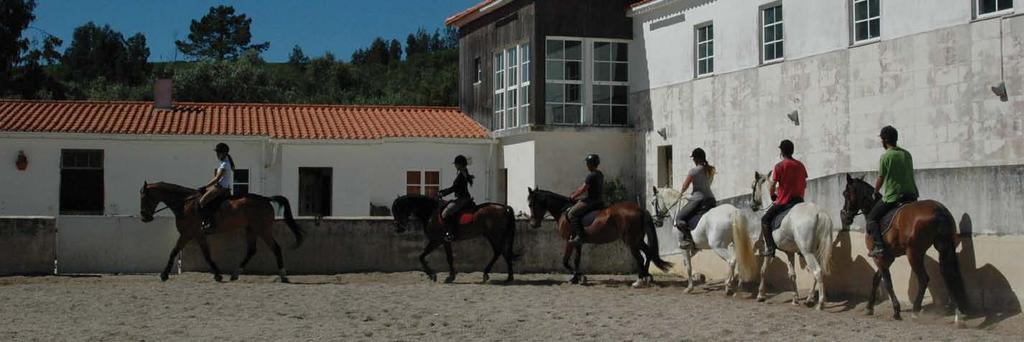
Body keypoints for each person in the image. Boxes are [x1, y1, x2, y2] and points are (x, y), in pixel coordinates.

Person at [866, 125, 918, 258]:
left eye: (881, 139)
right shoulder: (907, 154)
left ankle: (879, 246)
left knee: (871, 218)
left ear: (885, 140)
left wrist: (875, 191)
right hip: (912, 195)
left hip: (894, 196)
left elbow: (881, 178)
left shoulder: (886, 156)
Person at [760, 139, 807, 256]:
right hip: (800, 201)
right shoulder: (801, 166)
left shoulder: (779, 166)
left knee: (765, 220)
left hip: (785, 202)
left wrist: (772, 195)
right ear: (792, 151)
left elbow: (772, 185)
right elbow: (804, 184)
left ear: (782, 152)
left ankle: (770, 248)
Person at [674, 148, 717, 250]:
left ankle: (689, 240)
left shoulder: (694, 171)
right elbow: (708, 183)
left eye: (693, 158)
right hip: (711, 198)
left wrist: (681, 193)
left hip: (699, 199)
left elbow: (685, 185)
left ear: (696, 159)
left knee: (679, 218)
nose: (693, 160)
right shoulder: (710, 170)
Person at [567, 154, 604, 246]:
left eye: (587, 163)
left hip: (591, 201)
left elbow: (583, 189)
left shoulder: (591, 176)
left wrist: (573, 196)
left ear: (591, 164)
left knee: (571, 213)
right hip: (599, 200)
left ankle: (580, 237)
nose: (586, 165)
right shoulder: (600, 174)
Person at [198, 143, 235, 234]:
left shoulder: (225, 164)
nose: (217, 155)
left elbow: (217, 178)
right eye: (217, 153)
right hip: (221, 186)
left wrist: (205, 186)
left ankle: (210, 223)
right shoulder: (224, 162)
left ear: (223, 153)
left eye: (218, 153)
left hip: (221, 188)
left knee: (202, 201)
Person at [438, 155, 475, 242]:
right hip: (463, 198)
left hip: (462, 199)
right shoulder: (464, 173)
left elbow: (454, 188)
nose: (455, 166)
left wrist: (443, 193)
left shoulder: (461, 175)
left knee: (445, 213)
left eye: (456, 164)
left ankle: (450, 233)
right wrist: (443, 191)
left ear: (460, 164)